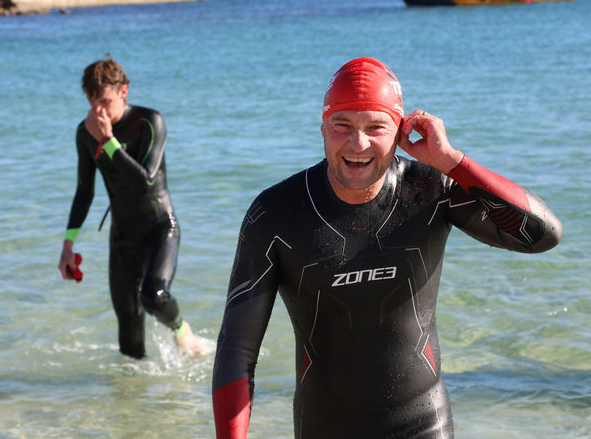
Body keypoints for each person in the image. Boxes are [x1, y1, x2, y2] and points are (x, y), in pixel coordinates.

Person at [212, 57, 562, 438]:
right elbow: (237, 350)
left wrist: (451, 161)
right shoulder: (277, 213)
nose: (357, 143)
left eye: (375, 127)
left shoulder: (432, 190)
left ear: (399, 130)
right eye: (341, 125)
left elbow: (542, 235)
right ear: (323, 129)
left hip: (423, 424)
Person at [59, 55, 204, 359]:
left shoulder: (150, 122)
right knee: (128, 335)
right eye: (92, 103)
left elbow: (146, 182)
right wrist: (68, 245)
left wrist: (108, 142)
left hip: (159, 227)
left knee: (154, 296)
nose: (98, 111)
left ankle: (181, 330)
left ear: (123, 90)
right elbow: (84, 191)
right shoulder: (85, 133)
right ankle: (131, 402)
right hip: (123, 236)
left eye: (105, 101)